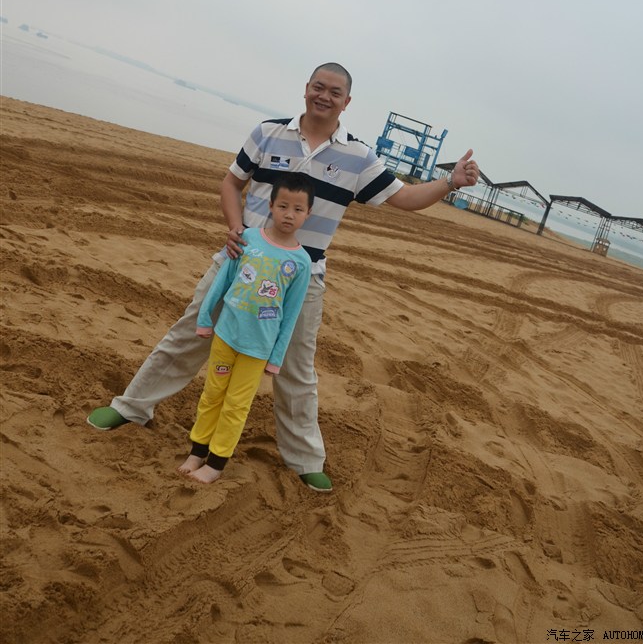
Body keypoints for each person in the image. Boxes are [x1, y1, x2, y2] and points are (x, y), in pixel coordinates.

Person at [87, 62, 480, 493]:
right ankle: (131, 406)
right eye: (318, 87)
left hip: (301, 278)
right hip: (241, 262)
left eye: (334, 92)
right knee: (189, 334)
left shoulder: (358, 156)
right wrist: (235, 228)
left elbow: (404, 197)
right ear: (306, 89)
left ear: (346, 102)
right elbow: (231, 183)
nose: (324, 96)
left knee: (296, 367)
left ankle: (305, 458)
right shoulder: (267, 132)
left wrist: (450, 182)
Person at [179, 172, 313, 484]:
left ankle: (216, 463)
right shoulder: (248, 238)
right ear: (270, 206)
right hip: (225, 336)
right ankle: (197, 451)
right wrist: (204, 320)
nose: (288, 214)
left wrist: (276, 358)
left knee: (236, 405)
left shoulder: (302, 262)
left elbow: (291, 314)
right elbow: (222, 282)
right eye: (283, 206)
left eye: (297, 209)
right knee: (212, 394)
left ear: (308, 214)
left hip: (257, 349)